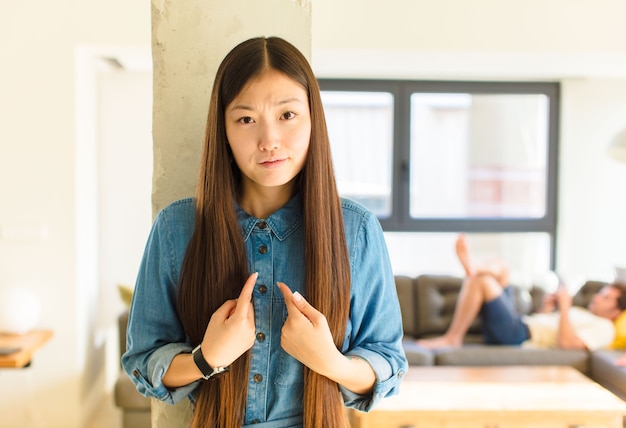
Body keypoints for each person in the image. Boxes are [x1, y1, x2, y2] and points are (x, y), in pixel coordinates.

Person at [121, 36, 407, 428]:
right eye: (246, 119)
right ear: (223, 129)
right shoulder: (177, 228)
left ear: (312, 119)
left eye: (287, 115)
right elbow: (142, 361)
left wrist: (330, 363)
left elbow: (389, 362)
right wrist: (207, 358)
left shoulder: (356, 230)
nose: (269, 140)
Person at [417, 234, 626, 351]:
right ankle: (473, 268)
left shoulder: (605, 328)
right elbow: (549, 330)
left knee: (484, 282)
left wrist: (564, 308)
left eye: (606, 297)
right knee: (503, 268)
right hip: (521, 324)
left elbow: (568, 344)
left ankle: (453, 337)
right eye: (601, 293)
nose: (597, 297)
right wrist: (547, 309)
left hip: (517, 336)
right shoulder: (587, 315)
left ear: (616, 311)